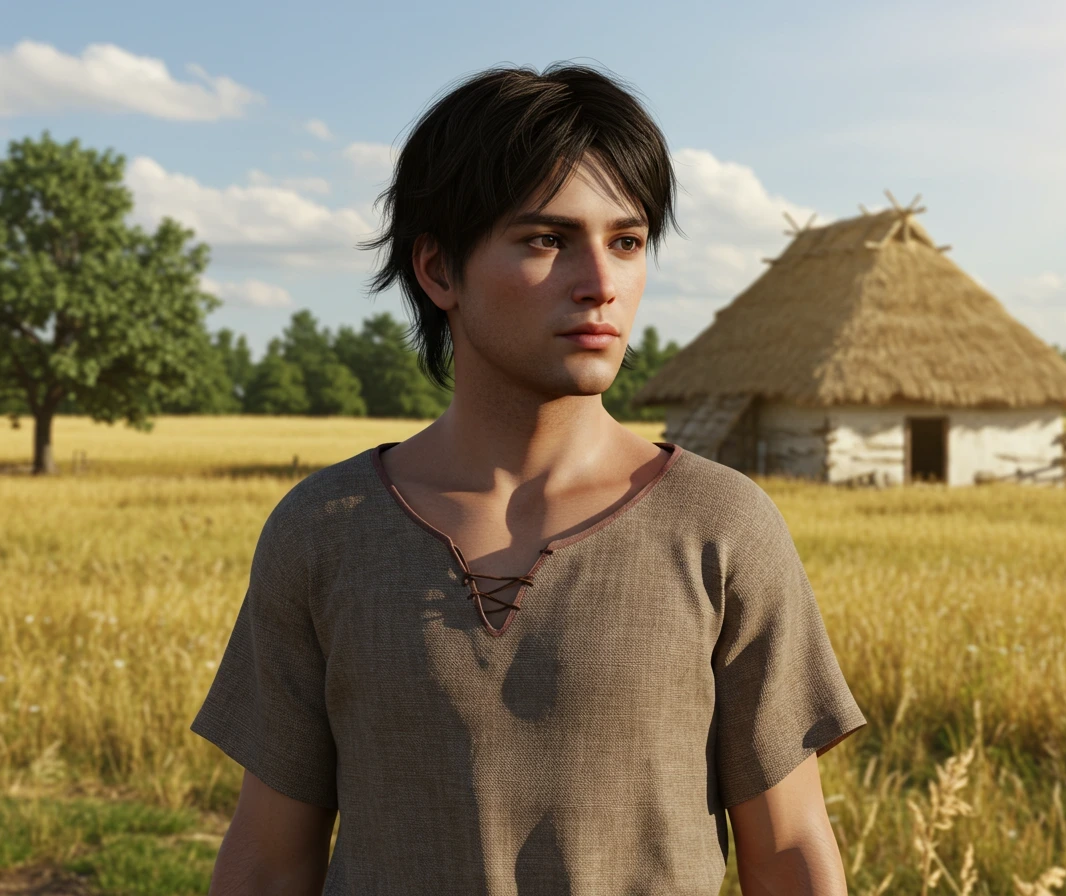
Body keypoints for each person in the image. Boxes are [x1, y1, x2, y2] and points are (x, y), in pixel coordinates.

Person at [193, 61, 867, 896]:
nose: (602, 284)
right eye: (547, 241)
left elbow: (791, 849)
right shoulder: (325, 531)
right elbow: (267, 856)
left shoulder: (720, 527)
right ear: (439, 271)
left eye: (625, 241)